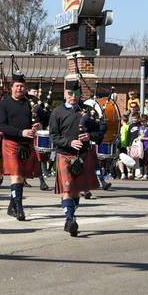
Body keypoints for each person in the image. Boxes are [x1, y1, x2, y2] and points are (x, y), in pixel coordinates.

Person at [48, 80, 101, 236]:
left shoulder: (88, 111)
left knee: (76, 191)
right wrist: (69, 142)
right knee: (68, 188)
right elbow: (53, 136)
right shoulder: (57, 112)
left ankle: (69, 216)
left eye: (76, 94)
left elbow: (100, 132)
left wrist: (90, 136)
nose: (73, 97)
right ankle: (70, 219)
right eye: (70, 94)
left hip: (82, 156)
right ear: (65, 94)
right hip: (64, 154)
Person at [0, 74, 41, 220]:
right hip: (11, 143)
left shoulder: (28, 103)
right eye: (17, 86)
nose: (20, 89)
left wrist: (37, 126)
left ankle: (11, 207)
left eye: (22, 86)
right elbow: (1, 126)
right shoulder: (4, 104)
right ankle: (19, 208)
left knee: (21, 177)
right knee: (15, 175)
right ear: (11, 88)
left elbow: (35, 121)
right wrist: (21, 132)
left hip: (26, 143)